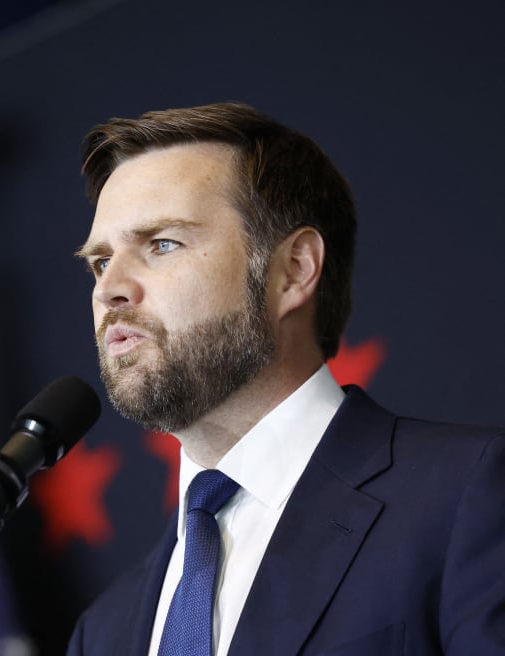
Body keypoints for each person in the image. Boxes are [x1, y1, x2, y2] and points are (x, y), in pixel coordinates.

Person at [66, 102, 505, 655]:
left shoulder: (471, 497)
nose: (110, 289)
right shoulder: (101, 632)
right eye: (101, 261)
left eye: (162, 244)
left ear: (294, 269)